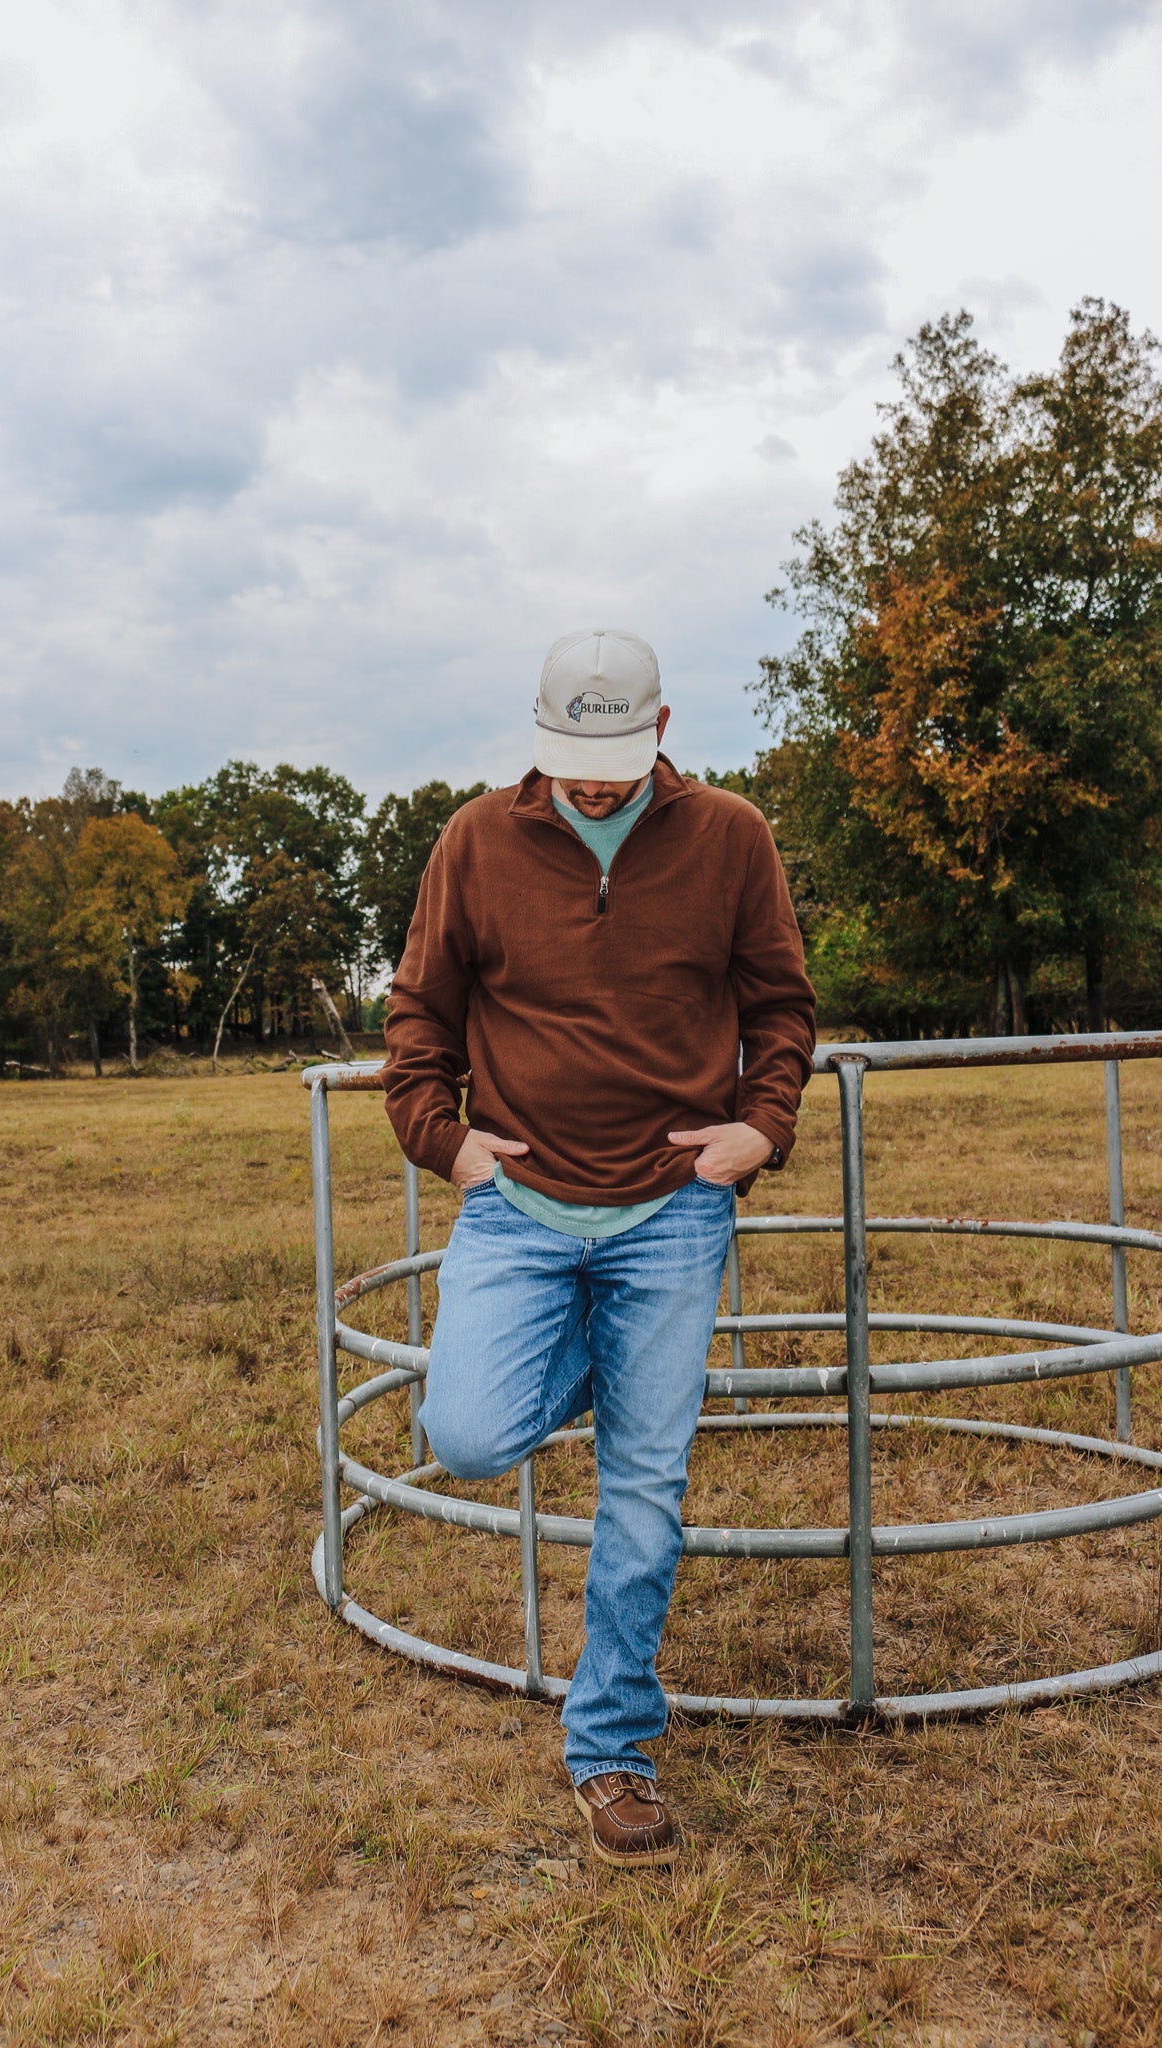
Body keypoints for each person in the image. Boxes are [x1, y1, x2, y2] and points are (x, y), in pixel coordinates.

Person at [382, 627, 815, 1867]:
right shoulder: (475, 841)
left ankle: (612, 1745)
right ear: (538, 734)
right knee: (463, 1429)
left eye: (617, 754)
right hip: (517, 1200)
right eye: (573, 754)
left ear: (663, 726)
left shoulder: (732, 836)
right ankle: (609, 1362)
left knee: (642, 1487)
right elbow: (422, 1010)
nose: (593, 780)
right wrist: (444, 1139)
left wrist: (761, 1129)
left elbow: (782, 1001)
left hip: (675, 1204)